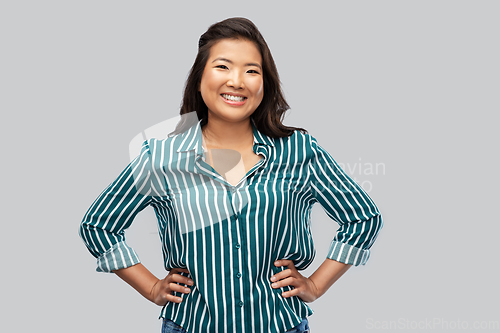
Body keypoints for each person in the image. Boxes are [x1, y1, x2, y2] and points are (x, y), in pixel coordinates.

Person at [79, 17, 383, 333]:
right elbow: (99, 226)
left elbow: (362, 218)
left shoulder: (299, 151)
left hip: (280, 325)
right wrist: (152, 287)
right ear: (199, 78)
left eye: (251, 71)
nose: (236, 81)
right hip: (190, 326)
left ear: (264, 85)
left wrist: (316, 285)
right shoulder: (161, 157)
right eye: (223, 67)